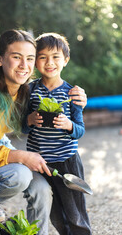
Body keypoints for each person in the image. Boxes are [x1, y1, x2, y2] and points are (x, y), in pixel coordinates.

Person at [0, 29, 87, 234]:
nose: (24, 65)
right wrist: (23, 156)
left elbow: (48, 101)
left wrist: (80, 98)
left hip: (0, 146)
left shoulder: (25, 89)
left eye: (29, 58)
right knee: (21, 174)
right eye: (16, 57)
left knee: (42, 190)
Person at [23, 32, 92, 235]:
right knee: (55, 213)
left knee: (74, 209)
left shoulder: (72, 93)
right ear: (35, 62)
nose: (49, 62)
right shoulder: (30, 91)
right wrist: (29, 120)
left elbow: (80, 130)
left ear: (66, 60)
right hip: (40, 162)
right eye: (42, 57)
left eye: (55, 57)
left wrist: (69, 125)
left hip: (67, 161)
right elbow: (22, 127)